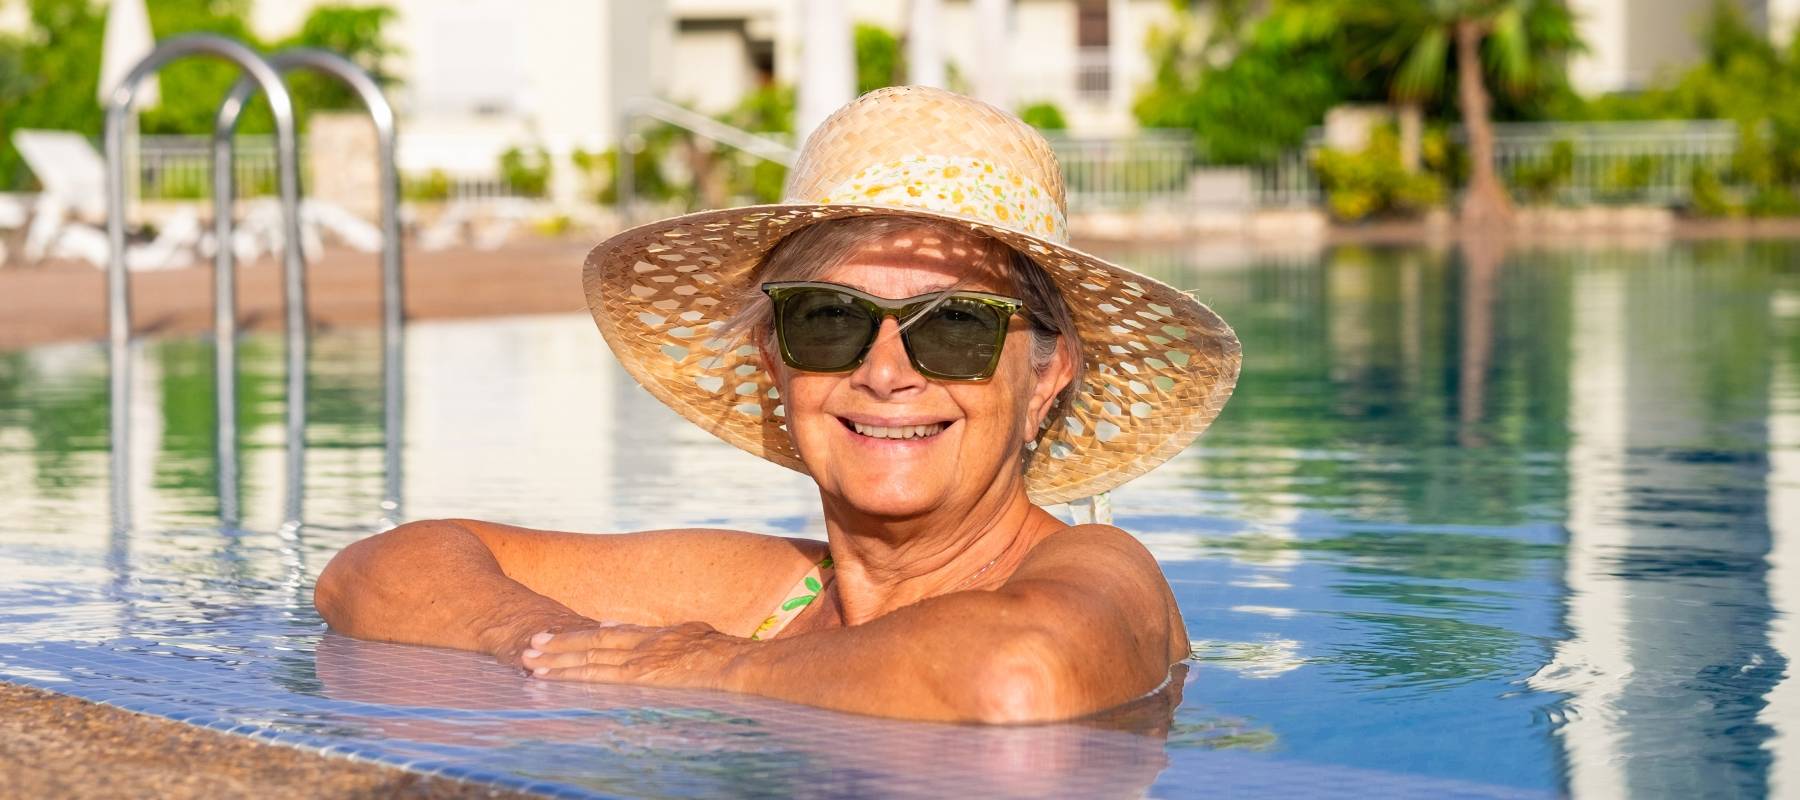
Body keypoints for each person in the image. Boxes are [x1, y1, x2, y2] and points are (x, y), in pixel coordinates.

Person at [314, 86, 1241, 724]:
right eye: (830, 319)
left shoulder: (1101, 569)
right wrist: (541, 643)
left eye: (953, 326)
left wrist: (710, 669)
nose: (885, 372)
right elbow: (378, 567)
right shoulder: (774, 593)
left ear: (1045, 376)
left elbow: (1016, 679)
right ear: (774, 358)